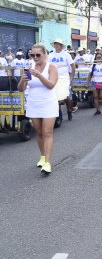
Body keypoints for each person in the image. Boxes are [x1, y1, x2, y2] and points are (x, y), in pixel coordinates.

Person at [17, 43, 58, 174]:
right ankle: (43, 156)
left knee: (47, 132)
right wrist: (22, 80)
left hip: (48, 103)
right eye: (32, 55)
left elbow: (51, 85)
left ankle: (48, 163)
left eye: (37, 55)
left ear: (44, 54)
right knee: (38, 132)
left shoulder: (51, 67)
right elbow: (21, 89)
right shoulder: (30, 67)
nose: (35, 57)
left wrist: (39, 75)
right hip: (34, 103)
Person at [48, 39, 75, 121]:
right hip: (54, 78)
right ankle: (58, 114)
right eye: (55, 44)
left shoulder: (66, 55)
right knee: (55, 96)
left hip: (64, 78)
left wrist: (71, 78)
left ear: (61, 45)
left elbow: (73, 66)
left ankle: (69, 110)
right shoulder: (50, 55)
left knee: (67, 96)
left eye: (59, 44)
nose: (57, 46)